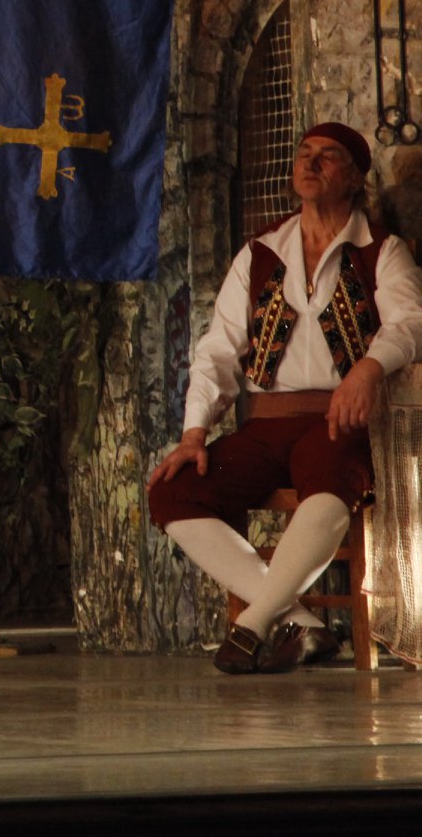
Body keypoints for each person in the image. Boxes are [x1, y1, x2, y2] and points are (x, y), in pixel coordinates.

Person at [149, 122, 422, 673]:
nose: (311, 164)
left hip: (340, 424)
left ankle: (252, 626)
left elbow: (412, 321)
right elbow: (218, 350)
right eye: (304, 154)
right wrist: (195, 431)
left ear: (355, 178)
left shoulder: (380, 251)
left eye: (328, 156)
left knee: (330, 485)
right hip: (266, 426)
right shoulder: (260, 254)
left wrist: (368, 369)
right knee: (174, 491)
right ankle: (301, 621)